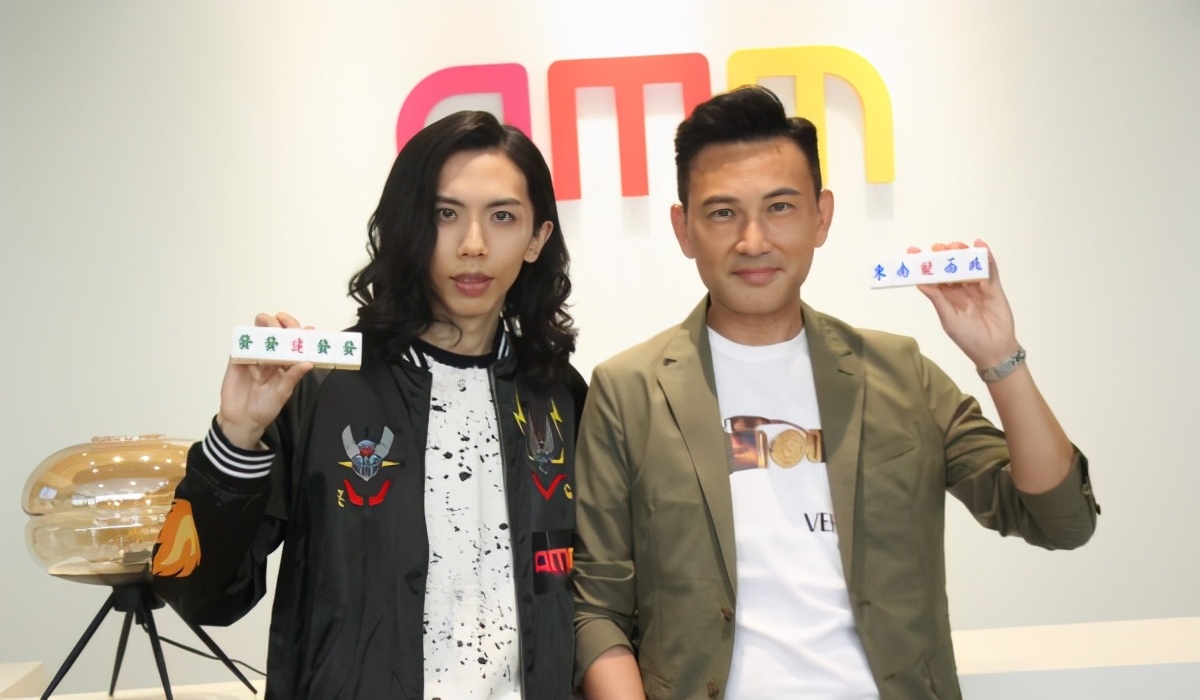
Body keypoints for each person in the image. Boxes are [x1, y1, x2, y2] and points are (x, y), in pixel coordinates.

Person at [571, 86, 1099, 700]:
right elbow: (597, 607)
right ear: (683, 228)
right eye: (721, 213)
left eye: (780, 207)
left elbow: (1060, 519)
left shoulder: (898, 373)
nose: (753, 240)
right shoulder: (629, 391)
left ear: (821, 216)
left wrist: (998, 357)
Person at [151, 110, 586, 699]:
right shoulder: (323, 389)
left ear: (537, 238)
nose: (474, 245)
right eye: (445, 214)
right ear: (408, 227)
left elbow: (594, 597)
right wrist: (237, 437)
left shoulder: (560, 396)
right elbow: (200, 595)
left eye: (502, 216)